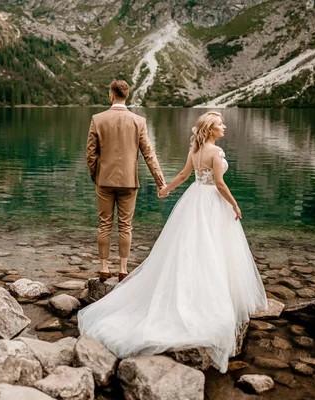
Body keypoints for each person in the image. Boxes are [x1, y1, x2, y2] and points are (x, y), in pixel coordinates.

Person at [78, 111, 268, 373]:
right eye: (219, 124)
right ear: (210, 129)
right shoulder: (215, 152)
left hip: (194, 200)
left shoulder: (196, 151)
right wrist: (234, 204)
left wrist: (166, 189)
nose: (224, 126)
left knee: (192, 247)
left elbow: (182, 175)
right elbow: (221, 185)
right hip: (212, 201)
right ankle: (212, 297)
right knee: (213, 248)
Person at [86, 80, 167, 282]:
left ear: (111, 95)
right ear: (126, 96)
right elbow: (149, 154)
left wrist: (95, 174)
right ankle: (123, 269)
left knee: (105, 224)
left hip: (104, 180)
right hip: (129, 182)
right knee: (125, 226)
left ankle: (104, 268)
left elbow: (90, 153)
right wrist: (160, 182)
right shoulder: (138, 121)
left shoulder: (98, 119)